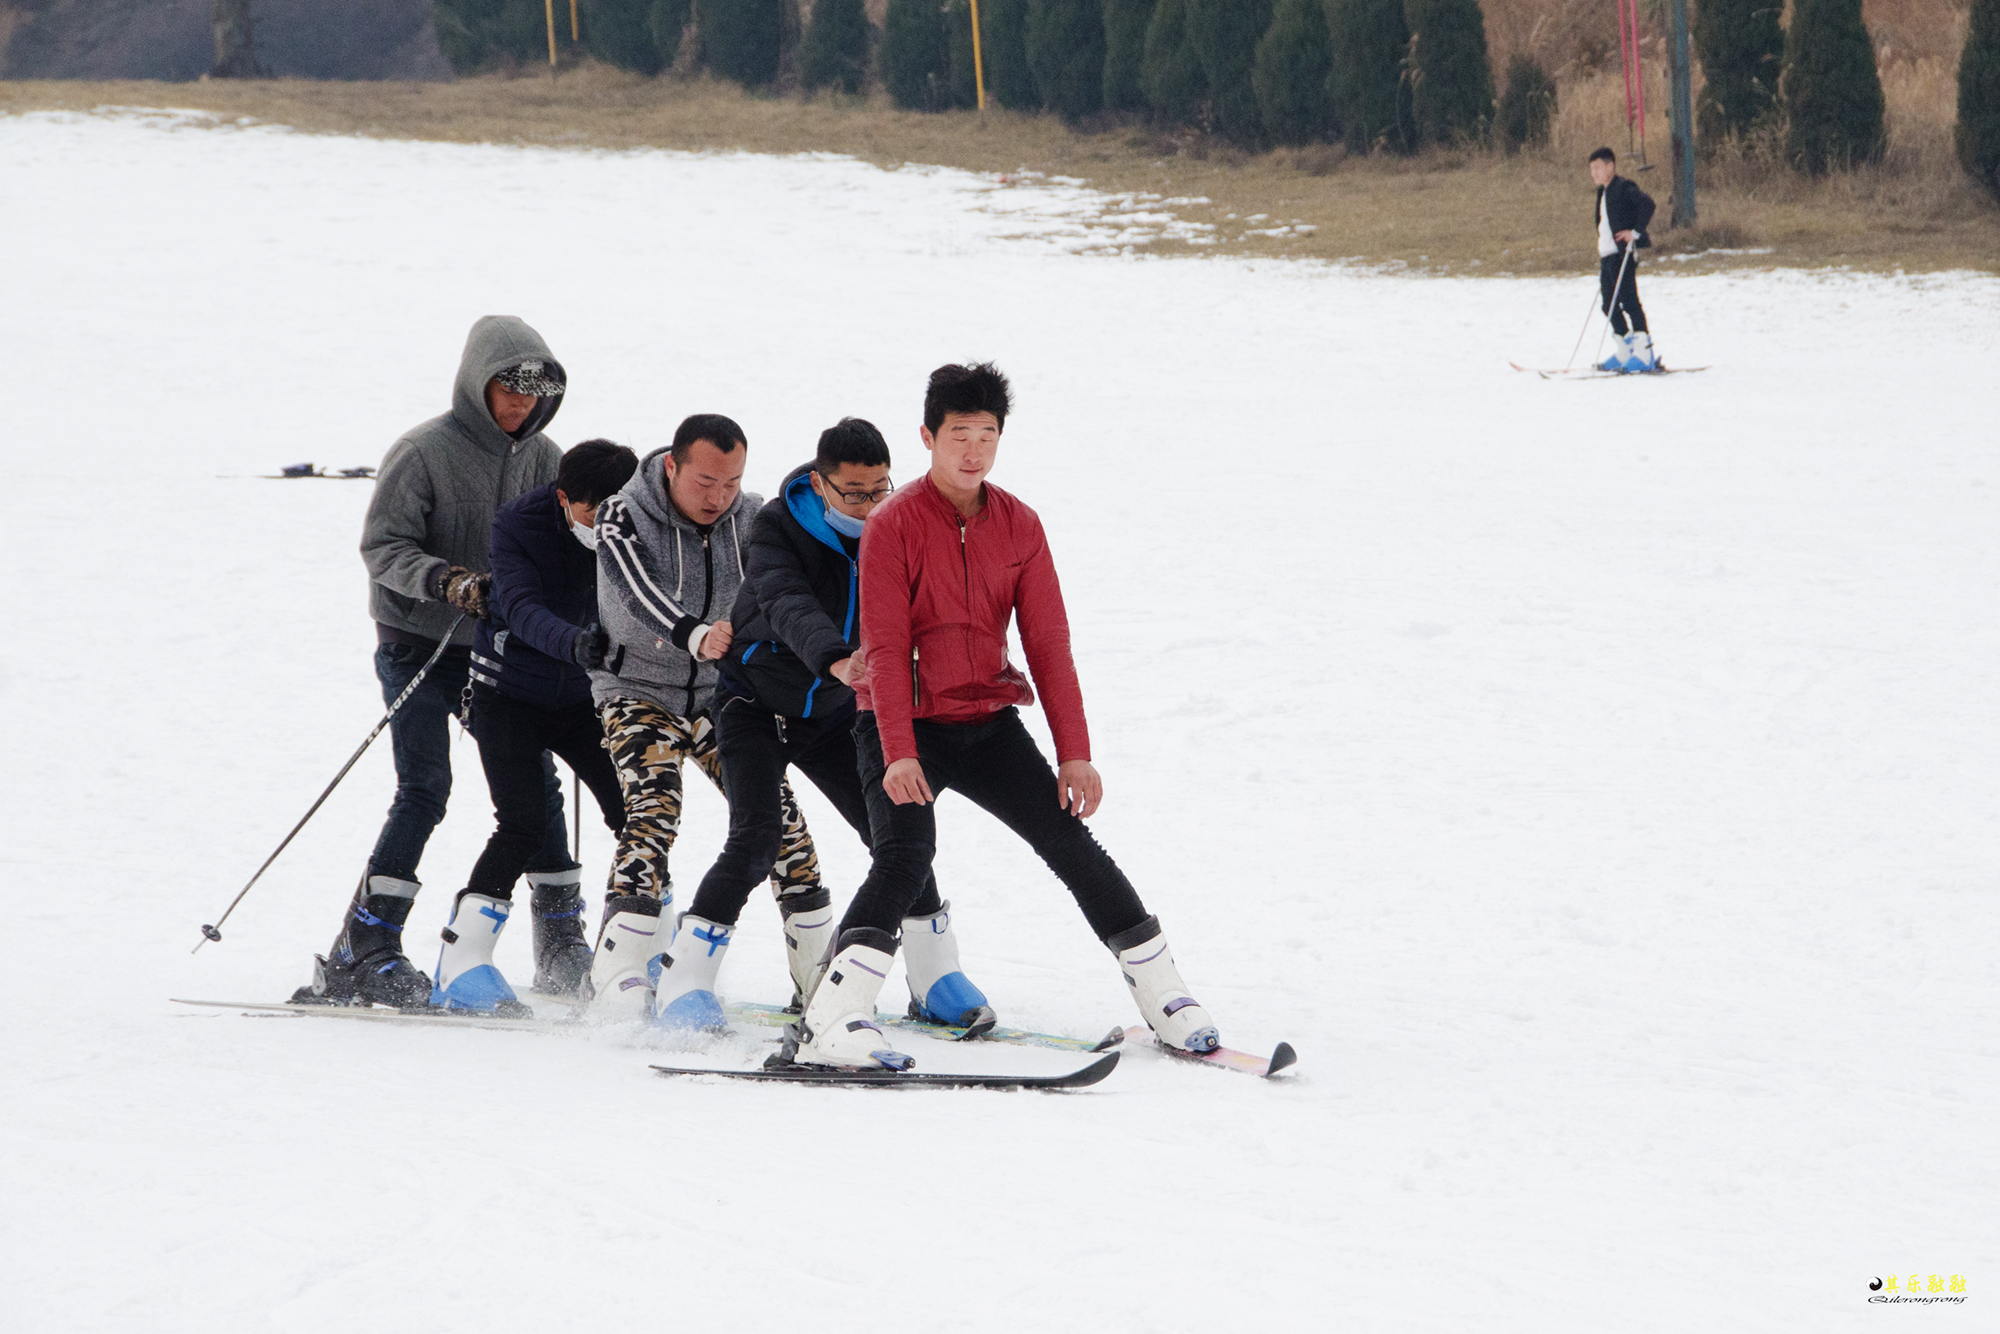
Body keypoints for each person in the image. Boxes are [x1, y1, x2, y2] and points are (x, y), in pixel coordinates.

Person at [789, 363, 1219, 1070]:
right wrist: (898, 751)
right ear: (928, 437)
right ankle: (832, 1018)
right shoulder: (892, 525)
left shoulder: (1020, 525)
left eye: (988, 435)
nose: (973, 451)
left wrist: (1075, 752)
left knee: (1071, 842)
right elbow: (888, 648)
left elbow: (1049, 646)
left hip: (986, 721)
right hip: (904, 727)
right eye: (960, 435)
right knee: (903, 856)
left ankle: (1167, 995)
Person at [652, 418, 992, 1034]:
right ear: (820, 483)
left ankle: (934, 974)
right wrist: (836, 657)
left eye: (880, 489)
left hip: (838, 714)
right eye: (854, 493)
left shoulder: (900, 530)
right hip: (754, 705)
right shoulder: (774, 527)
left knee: (897, 836)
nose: (868, 506)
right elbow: (787, 603)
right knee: (755, 839)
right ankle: (686, 979)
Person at [295, 316, 574, 1008]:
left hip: (498, 654)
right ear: (476, 383)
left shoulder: (547, 460)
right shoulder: (423, 451)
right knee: (426, 787)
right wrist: (448, 582)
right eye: (507, 390)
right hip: (417, 642)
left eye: (532, 396)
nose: (519, 406)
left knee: (536, 785)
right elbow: (382, 548)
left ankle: (562, 942)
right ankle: (364, 945)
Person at [585, 413, 828, 1019]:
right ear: (672, 465)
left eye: (731, 483)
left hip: (725, 698)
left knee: (781, 826)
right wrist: (690, 633)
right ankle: (618, 972)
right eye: (704, 483)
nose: (719, 498)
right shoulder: (623, 513)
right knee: (653, 810)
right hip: (637, 690)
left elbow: (786, 581)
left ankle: (819, 978)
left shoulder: (752, 518)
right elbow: (632, 587)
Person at [429, 440, 639, 1013]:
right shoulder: (519, 523)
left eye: (615, 510)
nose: (604, 525)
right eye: (592, 512)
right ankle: (461, 962)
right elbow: (519, 607)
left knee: (638, 815)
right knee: (522, 823)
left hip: (581, 699)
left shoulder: (637, 520)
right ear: (565, 497)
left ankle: (636, 955)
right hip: (507, 694)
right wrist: (573, 641)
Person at [1589, 146, 1658, 372]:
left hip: (1623, 254)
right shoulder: (1603, 192)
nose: (1595, 173)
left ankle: (1644, 353)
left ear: (1610, 166)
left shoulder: (1623, 187)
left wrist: (1635, 232)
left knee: (1629, 301)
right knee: (1608, 304)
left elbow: (1647, 204)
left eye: (1598, 168)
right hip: (1607, 256)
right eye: (1592, 169)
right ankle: (1624, 350)